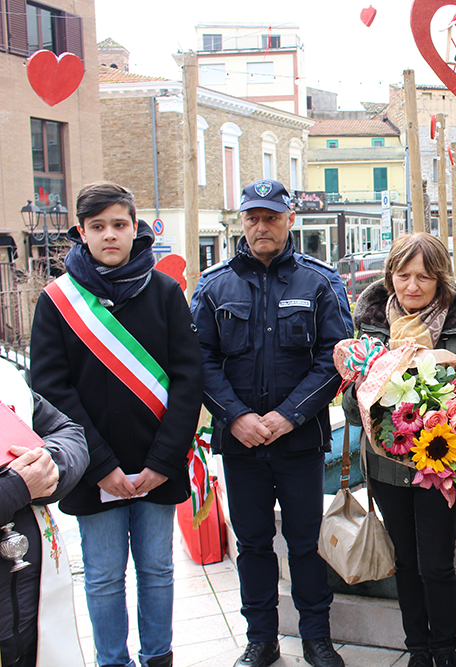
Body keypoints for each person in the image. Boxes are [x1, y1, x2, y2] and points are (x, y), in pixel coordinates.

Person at [30, 182, 204, 667]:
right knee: (105, 576)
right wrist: (101, 466)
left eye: (120, 225)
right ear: (81, 233)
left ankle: (158, 658)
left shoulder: (166, 293)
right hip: (93, 467)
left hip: (156, 465)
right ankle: (113, 662)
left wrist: (163, 461)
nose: (110, 235)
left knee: (157, 569)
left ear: (136, 229)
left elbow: (189, 380)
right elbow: (50, 392)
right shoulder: (56, 301)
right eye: (98, 226)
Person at [190, 179, 353, 667]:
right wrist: (236, 417)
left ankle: (316, 639)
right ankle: (260, 639)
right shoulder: (214, 285)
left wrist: (288, 416)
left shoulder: (320, 282)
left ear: (290, 220)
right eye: (252, 218)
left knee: (306, 544)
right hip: (241, 446)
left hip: (299, 442)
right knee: (254, 545)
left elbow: (336, 359)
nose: (262, 227)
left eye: (272, 217)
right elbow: (198, 360)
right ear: (241, 221)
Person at [343, 232, 456, 667]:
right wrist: (376, 381)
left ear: (440, 279)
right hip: (388, 469)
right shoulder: (370, 327)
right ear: (390, 277)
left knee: (437, 564)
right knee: (406, 562)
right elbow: (352, 406)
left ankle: (445, 650)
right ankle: (417, 650)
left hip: (442, 468)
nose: (412, 286)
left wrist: (429, 374)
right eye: (403, 275)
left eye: (423, 277)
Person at [0, 360, 88, 667]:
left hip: (31, 613)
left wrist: (49, 465)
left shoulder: (4, 376)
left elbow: (67, 431)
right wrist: (15, 489)